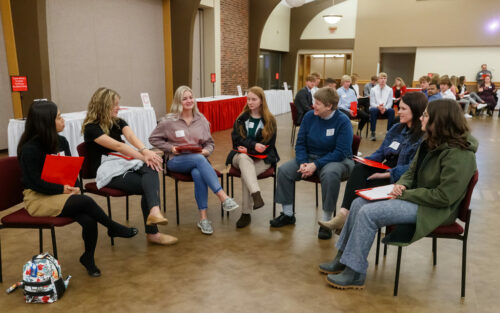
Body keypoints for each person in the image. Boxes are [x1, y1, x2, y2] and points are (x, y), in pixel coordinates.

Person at [318, 99, 477, 290]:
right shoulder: (430, 142)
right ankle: (343, 258)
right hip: (418, 197)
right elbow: (411, 172)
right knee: (359, 204)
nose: (421, 118)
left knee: (369, 213)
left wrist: (405, 194)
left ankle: (355, 272)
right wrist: (401, 185)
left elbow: (444, 198)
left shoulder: (460, 154)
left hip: (434, 209)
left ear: (440, 120)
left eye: (425, 115)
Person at [18, 100, 138, 277]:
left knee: (88, 219)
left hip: (61, 192)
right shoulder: (30, 149)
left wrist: (75, 186)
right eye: (59, 117)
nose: (63, 120)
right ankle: (112, 227)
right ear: (45, 122)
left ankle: (88, 258)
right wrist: (64, 189)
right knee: (85, 201)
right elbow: (34, 182)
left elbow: (70, 170)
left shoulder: (61, 141)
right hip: (37, 197)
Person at [319, 92, 427, 232]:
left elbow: (413, 168)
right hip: (385, 167)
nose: (399, 112)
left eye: (403, 109)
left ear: (416, 109)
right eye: (399, 108)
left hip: (400, 179)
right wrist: (364, 161)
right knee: (358, 169)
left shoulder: (423, 136)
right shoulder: (396, 128)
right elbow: (381, 153)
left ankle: (346, 222)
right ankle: (343, 215)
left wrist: (388, 174)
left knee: (363, 184)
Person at [82, 87, 177, 246]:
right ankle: (153, 229)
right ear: (103, 105)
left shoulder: (117, 121)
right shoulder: (91, 128)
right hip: (108, 170)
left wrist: (146, 151)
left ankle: (154, 212)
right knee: (149, 182)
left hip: (123, 163)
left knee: (150, 168)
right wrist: (144, 155)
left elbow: (131, 136)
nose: (118, 108)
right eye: (115, 105)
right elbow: (119, 146)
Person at [149, 86, 238, 235]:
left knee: (198, 173)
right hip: (176, 161)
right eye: (185, 98)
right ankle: (223, 197)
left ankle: (203, 219)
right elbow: (153, 139)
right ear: (178, 101)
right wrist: (171, 148)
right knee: (198, 160)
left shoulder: (201, 119)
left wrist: (206, 151)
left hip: (198, 160)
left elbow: (210, 143)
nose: (189, 100)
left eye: (191, 97)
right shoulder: (168, 121)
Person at [270, 87, 354, 240]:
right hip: (309, 158)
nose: (313, 105)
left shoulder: (343, 121)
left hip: (338, 160)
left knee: (330, 174)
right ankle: (288, 214)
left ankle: (327, 222)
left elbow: (340, 151)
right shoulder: (309, 117)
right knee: (284, 170)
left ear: (329, 106)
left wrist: (316, 165)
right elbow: (300, 144)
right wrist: (303, 163)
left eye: (317, 103)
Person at [225, 86, 280, 228]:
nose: (250, 102)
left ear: (261, 101)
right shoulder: (241, 119)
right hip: (240, 156)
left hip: (264, 158)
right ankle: (256, 194)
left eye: (254, 99)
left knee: (246, 174)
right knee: (244, 160)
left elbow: (269, 143)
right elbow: (236, 140)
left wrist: (250, 146)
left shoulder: (270, 120)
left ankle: (246, 213)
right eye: (248, 99)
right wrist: (252, 146)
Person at [369, 72, 395, 141]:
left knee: (392, 110)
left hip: (385, 109)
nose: (383, 80)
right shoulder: (373, 89)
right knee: (373, 110)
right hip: (376, 108)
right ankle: (373, 132)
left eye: (385, 78)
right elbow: (372, 103)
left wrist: (385, 108)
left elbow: (390, 103)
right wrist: (378, 107)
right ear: (378, 80)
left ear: (386, 80)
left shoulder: (390, 89)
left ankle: (388, 132)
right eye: (381, 78)